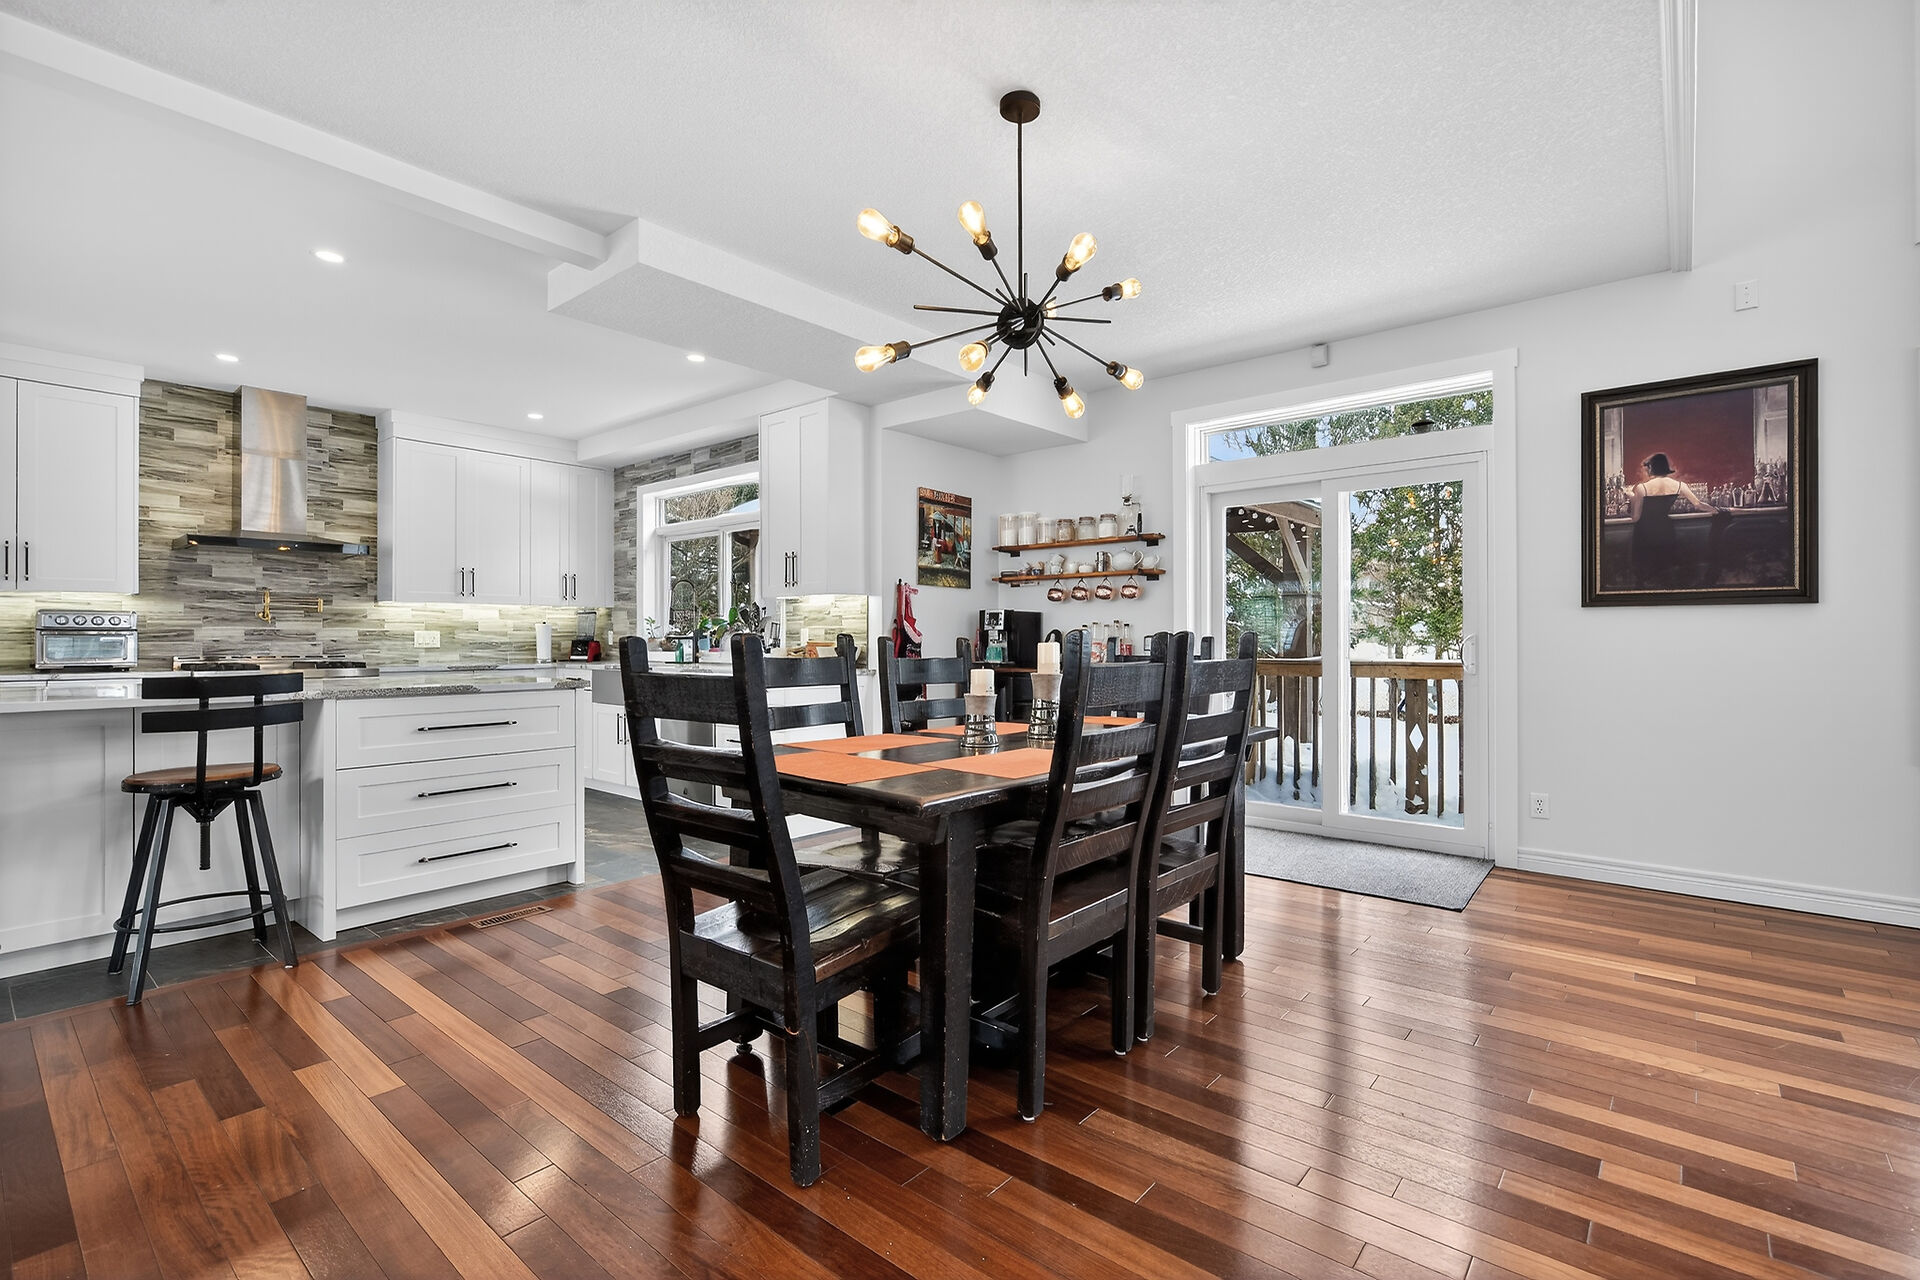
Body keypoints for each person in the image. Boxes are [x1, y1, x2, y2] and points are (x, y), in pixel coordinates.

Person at [1628, 452, 1721, 586]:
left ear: (1652, 468)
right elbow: (1698, 504)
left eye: (1648, 468)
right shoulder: (1680, 485)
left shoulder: (1641, 488)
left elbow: (1635, 518)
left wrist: (1632, 497)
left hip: (1645, 533)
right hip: (1665, 530)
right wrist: (1717, 510)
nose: (1647, 471)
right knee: (1665, 570)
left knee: (1645, 572)